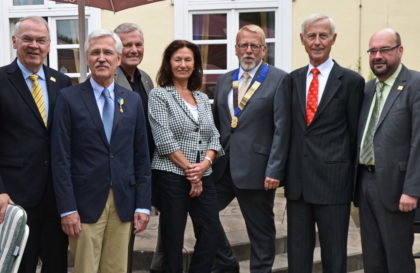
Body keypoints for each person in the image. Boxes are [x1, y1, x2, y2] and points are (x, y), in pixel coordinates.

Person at [51, 29, 151, 273]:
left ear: (118, 59)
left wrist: (143, 205)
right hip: (84, 204)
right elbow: (60, 157)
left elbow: (141, 155)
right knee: (86, 268)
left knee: (116, 268)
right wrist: (67, 208)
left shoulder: (132, 100)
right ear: (87, 59)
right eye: (95, 53)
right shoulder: (68, 98)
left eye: (108, 52)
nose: (101, 58)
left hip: (123, 201)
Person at [285, 14, 364, 273]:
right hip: (298, 186)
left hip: (334, 184)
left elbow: (355, 136)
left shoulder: (351, 82)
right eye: (311, 36)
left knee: (334, 257)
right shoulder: (292, 80)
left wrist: (354, 186)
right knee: (297, 258)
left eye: (323, 36)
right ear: (302, 40)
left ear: (333, 39)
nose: (317, 42)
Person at [211, 24, 291, 273]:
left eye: (254, 46)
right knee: (204, 214)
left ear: (264, 49)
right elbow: (217, 123)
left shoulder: (279, 79)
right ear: (235, 49)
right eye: (243, 45)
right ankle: (226, 263)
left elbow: (282, 128)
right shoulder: (225, 80)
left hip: (258, 170)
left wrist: (275, 169)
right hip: (223, 167)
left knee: (261, 233)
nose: (248, 50)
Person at [0, 16, 71, 273]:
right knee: (19, 265)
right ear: (14, 41)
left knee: (57, 265)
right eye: (27, 39)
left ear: (49, 45)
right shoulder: (1, 80)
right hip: (15, 198)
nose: (34, 45)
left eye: (41, 40)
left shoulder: (61, 83)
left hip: (55, 197)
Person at [148, 40, 223, 273]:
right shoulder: (159, 95)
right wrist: (193, 173)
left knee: (211, 234)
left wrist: (205, 165)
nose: (183, 64)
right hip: (171, 176)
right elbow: (164, 140)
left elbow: (215, 136)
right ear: (169, 64)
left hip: (204, 173)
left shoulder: (201, 97)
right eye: (177, 59)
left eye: (188, 59)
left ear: (195, 64)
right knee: (172, 240)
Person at [354, 28, 420, 273]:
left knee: (398, 260)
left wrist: (412, 190)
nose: (377, 56)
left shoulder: (414, 84)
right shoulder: (368, 89)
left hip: (397, 188)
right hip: (365, 184)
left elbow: (419, 141)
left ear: (400, 51)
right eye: (373, 51)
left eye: (385, 50)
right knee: (373, 259)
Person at [113, 22, 158, 273]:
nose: (133, 49)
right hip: (120, 172)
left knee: (130, 235)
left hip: (142, 169)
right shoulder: (109, 78)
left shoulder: (145, 79)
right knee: (118, 241)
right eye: (127, 44)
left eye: (138, 44)